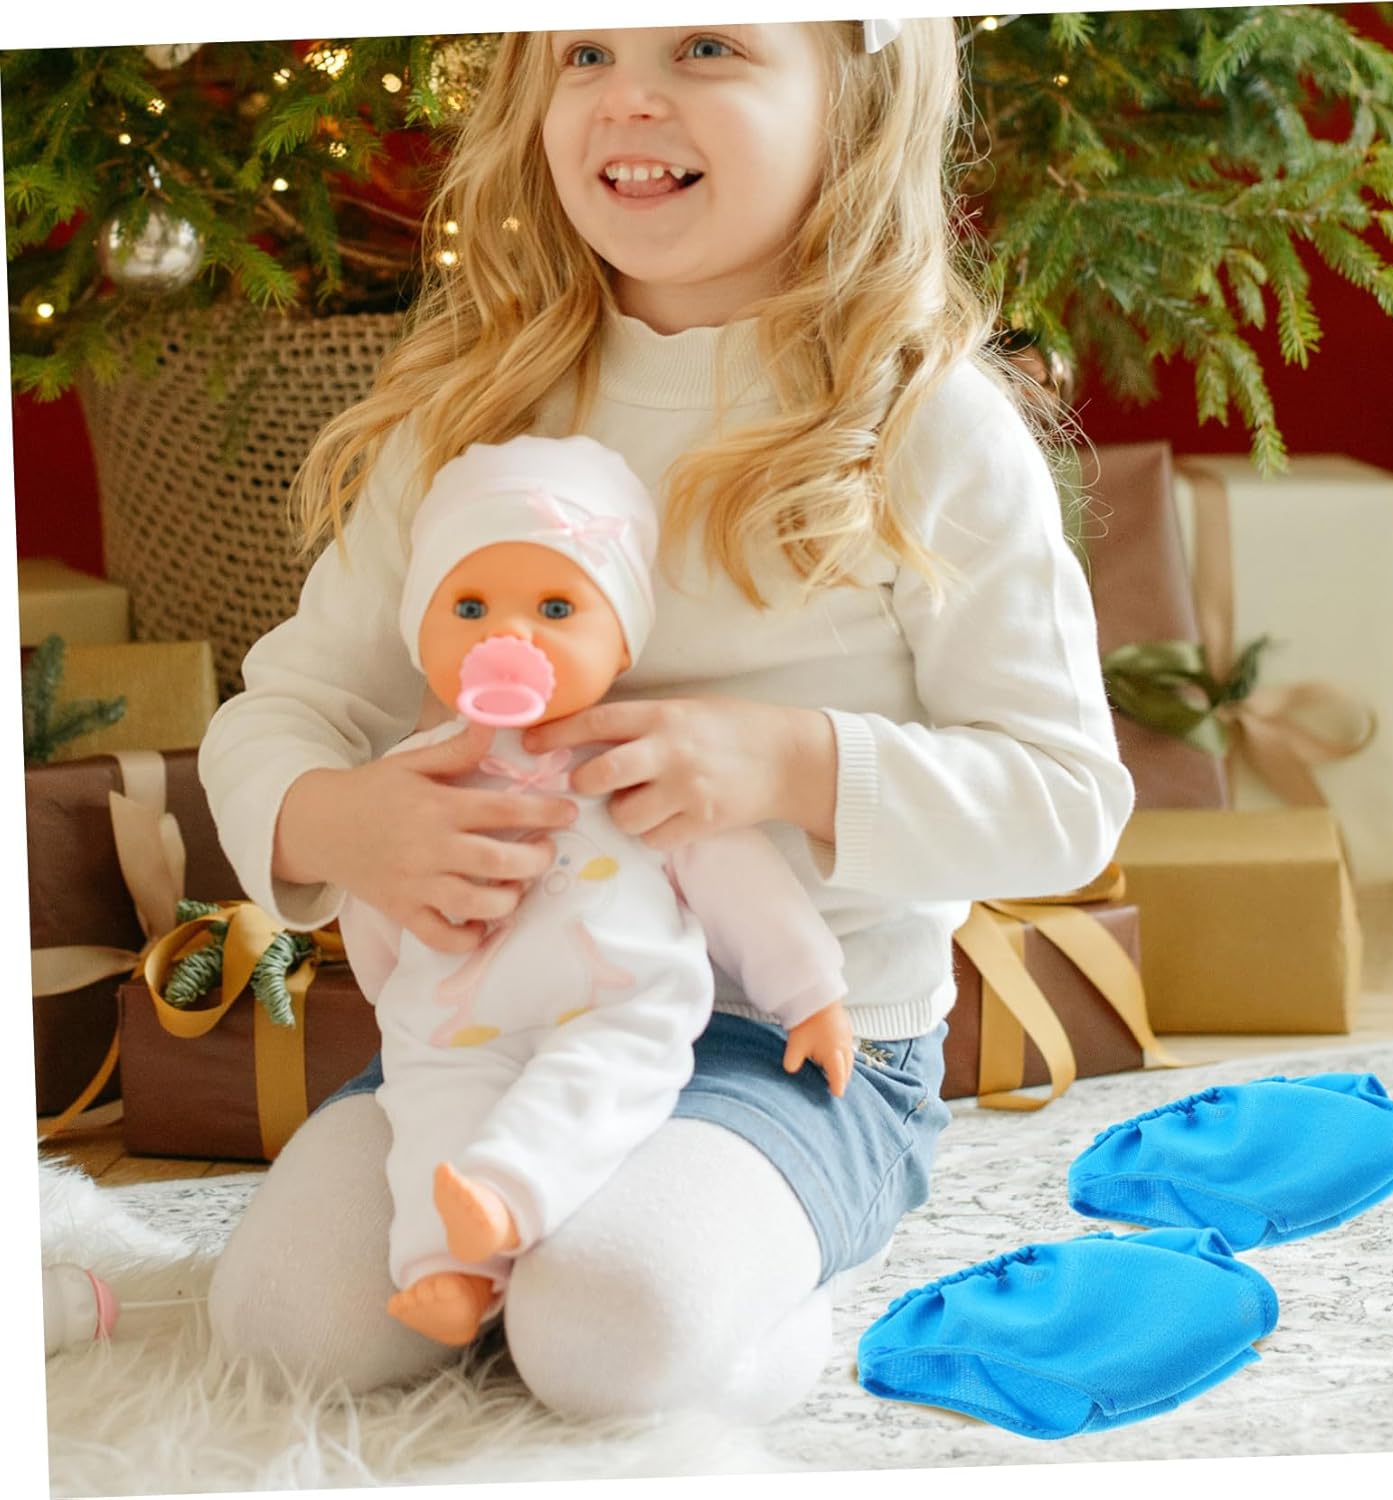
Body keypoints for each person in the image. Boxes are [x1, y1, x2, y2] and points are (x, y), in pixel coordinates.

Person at [200, 19, 1133, 1421]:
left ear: (855, 97)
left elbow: (1066, 800)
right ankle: (575, 1232)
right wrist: (338, 820)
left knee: (605, 1333)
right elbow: (290, 704)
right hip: (490, 1033)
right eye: (585, 53)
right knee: (283, 1331)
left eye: (704, 47)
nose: (629, 96)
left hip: (798, 1041)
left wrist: (792, 764)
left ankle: (763, 1272)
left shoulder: (923, 426)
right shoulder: (471, 413)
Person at [346, 434, 853, 1348]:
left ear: (619, 643)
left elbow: (736, 875)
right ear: (423, 636)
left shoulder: (639, 757)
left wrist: (809, 991)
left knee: (593, 1083)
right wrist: (396, 992)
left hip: (617, 1002)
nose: (509, 636)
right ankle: (447, 1269)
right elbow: (376, 891)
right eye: (470, 608)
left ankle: (508, 1197)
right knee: (428, 1105)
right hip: (458, 1016)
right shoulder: (413, 776)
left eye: (554, 608)